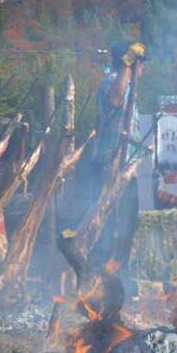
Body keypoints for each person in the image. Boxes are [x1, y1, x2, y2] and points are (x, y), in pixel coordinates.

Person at [63, 40, 147, 267]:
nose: (144, 68)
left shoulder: (128, 86)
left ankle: (113, 274)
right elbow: (114, 100)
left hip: (124, 167)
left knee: (124, 226)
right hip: (111, 164)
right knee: (105, 225)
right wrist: (127, 65)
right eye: (140, 63)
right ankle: (94, 272)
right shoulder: (113, 81)